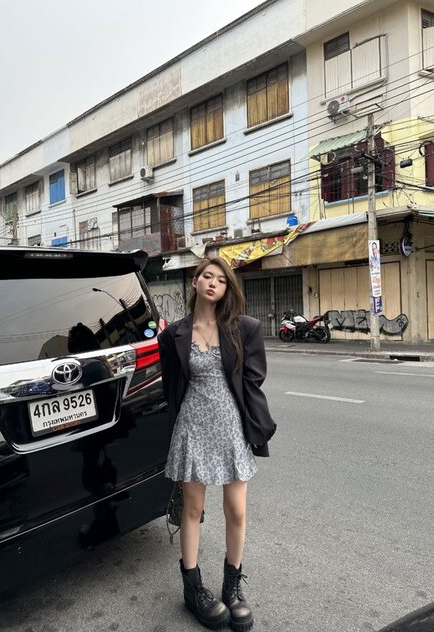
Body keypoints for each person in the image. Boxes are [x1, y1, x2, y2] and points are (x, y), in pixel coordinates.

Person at [158, 257, 276, 631]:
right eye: (207, 276)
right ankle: (192, 588)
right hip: (193, 426)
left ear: (227, 289)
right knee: (192, 509)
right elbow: (171, 386)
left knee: (236, 510)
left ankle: (232, 587)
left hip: (230, 426)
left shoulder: (244, 329)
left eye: (221, 280)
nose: (213, 283)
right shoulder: (174, 334)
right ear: (195, 281)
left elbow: (253, 379)